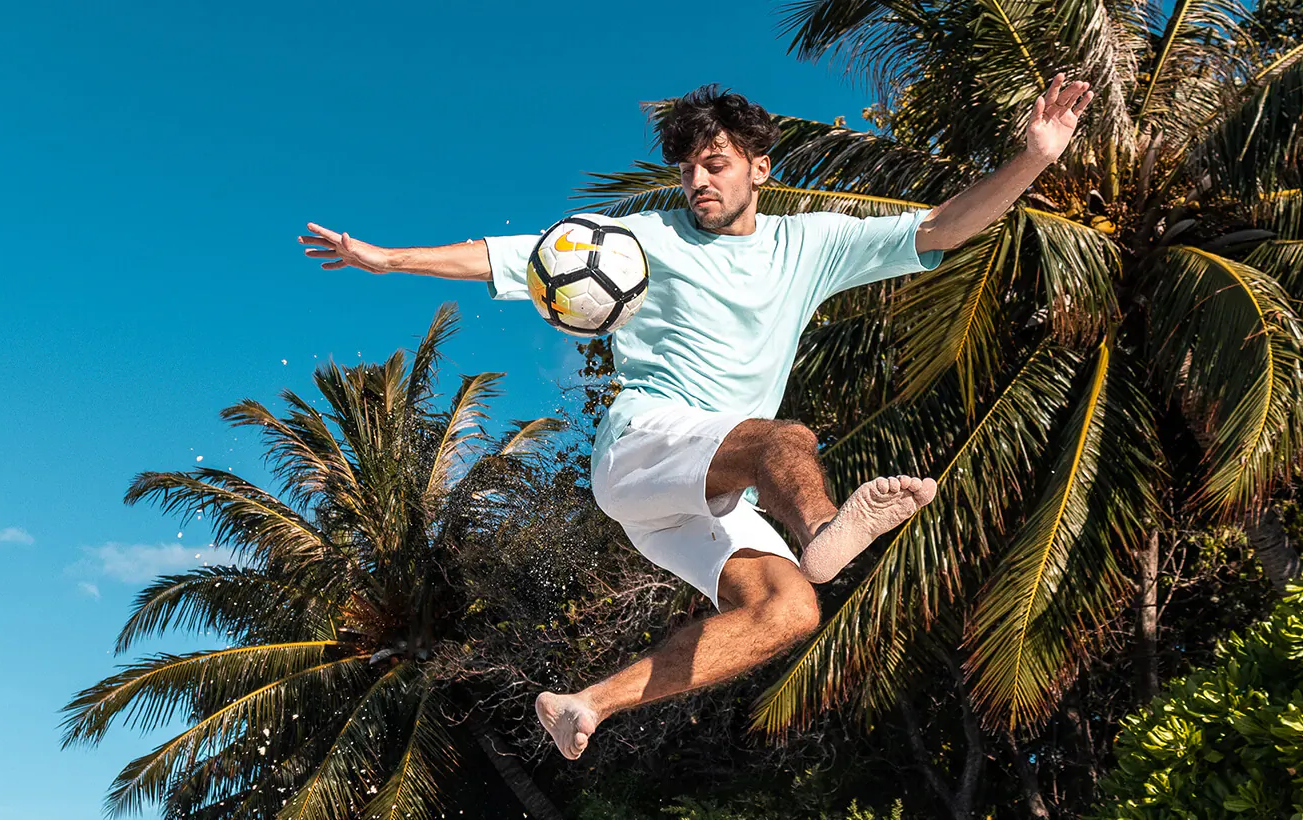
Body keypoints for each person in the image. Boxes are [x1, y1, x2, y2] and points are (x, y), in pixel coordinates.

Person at [299, 75, 1094, 759]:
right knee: (780, 439)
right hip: (645, 448)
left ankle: (586, 705)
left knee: (788, 609)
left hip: (704, 500)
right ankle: (823, 532)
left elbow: (939, 228)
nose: (699, 182)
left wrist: (1033, 156)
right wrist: (385, 257)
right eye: (688, 169)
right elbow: (508, 257)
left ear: (760, 169)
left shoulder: (810, 243)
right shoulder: (635, 240)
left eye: (715, 165)